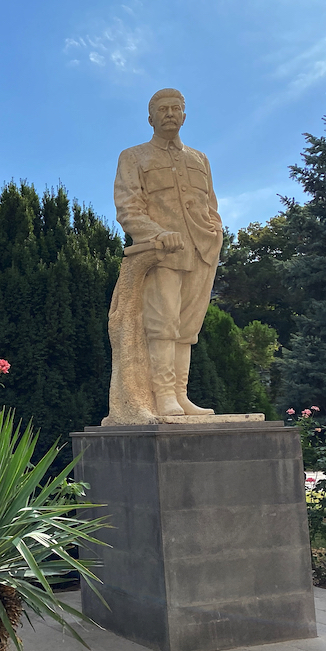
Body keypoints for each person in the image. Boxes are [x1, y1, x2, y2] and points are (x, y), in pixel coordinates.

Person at [113, 88, 223, 417]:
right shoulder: (133, 157)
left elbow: (210, 205)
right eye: (163, 109)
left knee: (187, 330)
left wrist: (216, 230)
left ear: (185, 116)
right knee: (163, 325)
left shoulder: (199, 159)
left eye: (176, 108)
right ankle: (163, 396)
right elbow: (128, 208)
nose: (170, 113)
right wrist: (158, 233)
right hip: (163, 254)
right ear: (150, 118)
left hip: (202, 252)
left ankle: (180, 394)